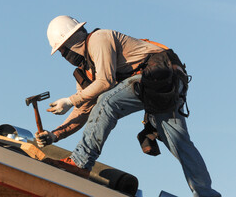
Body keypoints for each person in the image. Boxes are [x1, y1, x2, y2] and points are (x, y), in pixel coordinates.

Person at [36, 15, 221, 197]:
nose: (64, 54)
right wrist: (54, 134)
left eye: (62, 49)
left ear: (71, 40)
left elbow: (105, 82)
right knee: (179, 143)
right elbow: (83, 109)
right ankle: (206, 194)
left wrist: (69, 100)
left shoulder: (99, 39)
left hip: (158, 73)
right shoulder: (87, 70)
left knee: (107, 101)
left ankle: (80, 162)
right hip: (166, 81)